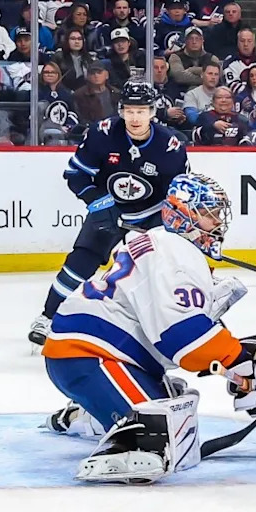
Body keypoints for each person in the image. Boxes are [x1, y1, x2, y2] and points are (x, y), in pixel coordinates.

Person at [42, 172, 256, 484]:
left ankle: (86, 415)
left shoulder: (165, 245)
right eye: (210, 214)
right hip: (90, 355)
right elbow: (180, 338)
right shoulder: (176, 252)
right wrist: (236, 358)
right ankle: (106, 423)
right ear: (186, 215)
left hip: (98, 354)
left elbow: (176, 332)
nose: (218, 223)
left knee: (174, 404)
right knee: (156, 436)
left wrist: (233, 365)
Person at [28, 81, 190, 347]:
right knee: (81, 261)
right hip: (107, 207)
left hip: (151, 214)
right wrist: (98, 202)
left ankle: (167, 324)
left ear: (152, 112)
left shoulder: (170, 146)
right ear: (121, 110)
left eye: (141, 111)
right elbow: (76, 175)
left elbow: (176, 194)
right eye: (129, 110)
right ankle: (48, 317)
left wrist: (161, 226)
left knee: (161, 270)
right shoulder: (102, 134)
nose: (135, 117)